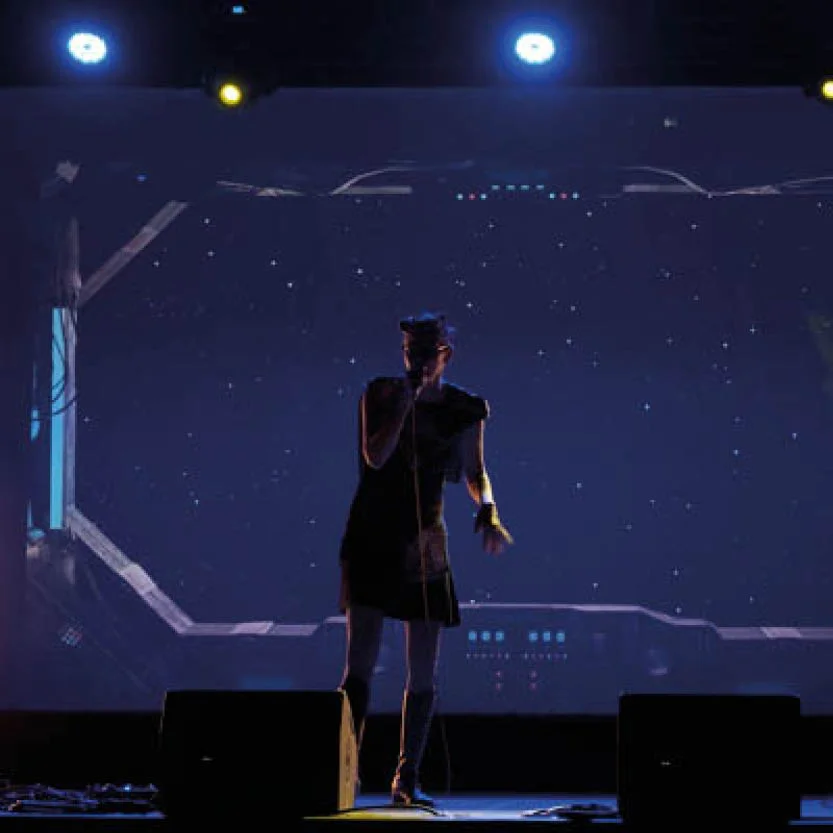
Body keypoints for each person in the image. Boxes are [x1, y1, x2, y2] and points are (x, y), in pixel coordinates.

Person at [337, 312, 513, 807]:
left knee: (422, 668)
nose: (414, 360)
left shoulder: (464, 409)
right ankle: (344, 768)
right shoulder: (381, 394)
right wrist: (405, 403)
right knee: (360, 662)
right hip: (373, 535)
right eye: (408, 351)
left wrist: (488, 509)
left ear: (445, 355)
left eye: (424, 352)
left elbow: (475, 471)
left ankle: (406, 778)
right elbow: (375, 456)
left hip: (424, 541)